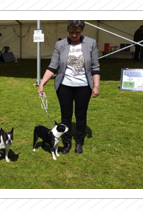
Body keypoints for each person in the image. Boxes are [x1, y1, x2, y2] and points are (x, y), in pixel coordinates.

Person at [37, 20, 100, 154]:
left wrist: (96, 86)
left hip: (84, 87)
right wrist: (42, 83)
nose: (74, 35)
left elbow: (95, 67)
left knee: (81, 115)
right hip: (64, 87)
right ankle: (66, 143)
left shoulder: (91, 43)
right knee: (66, 116)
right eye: (71, 32)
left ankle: (79, 142)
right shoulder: (61, 44)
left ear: (81, 30)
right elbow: (52, 66)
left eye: (77, 32)